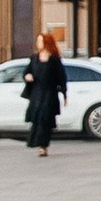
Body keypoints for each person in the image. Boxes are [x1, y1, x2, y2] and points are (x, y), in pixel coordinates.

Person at [20, 28, 66, 159]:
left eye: (40, 40)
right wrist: (27, 76)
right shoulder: (34, 58)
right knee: (37, 118)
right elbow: (26, 72)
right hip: (36, 93)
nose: (37, 43)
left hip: (49, 93)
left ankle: (43, 146)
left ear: (46, 42)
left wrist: (64, 93)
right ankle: (38, 143)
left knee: (45, 119)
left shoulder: (54, 60)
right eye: (37, 40)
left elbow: (61, 77)